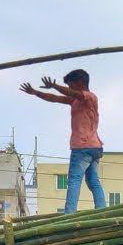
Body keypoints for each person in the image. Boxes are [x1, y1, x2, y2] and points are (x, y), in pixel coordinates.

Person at [20, 69, 105, 213]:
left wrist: (55, 85)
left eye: (71, 85)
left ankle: (69, 214)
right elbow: (54, 98)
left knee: (74, 179)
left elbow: (71, 93)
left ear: (79, 83)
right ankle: (102, 209)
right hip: (94, 147)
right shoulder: (76, 101)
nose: (70, 88)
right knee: (92, 180)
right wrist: (35, 92)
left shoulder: (89, 97)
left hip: (82, 146)